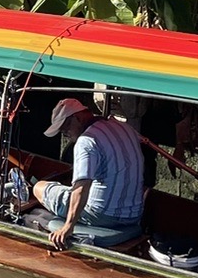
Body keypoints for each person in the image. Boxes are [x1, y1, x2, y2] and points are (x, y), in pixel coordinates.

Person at [33, 96, 146, 249]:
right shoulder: (125, 128)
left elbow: (82, 187)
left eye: (66, 128)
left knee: (38, 187)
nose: (66, 134)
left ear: (78, 118)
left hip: (100, 215)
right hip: (133, 215)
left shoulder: (86, 141)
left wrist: (68, 226)